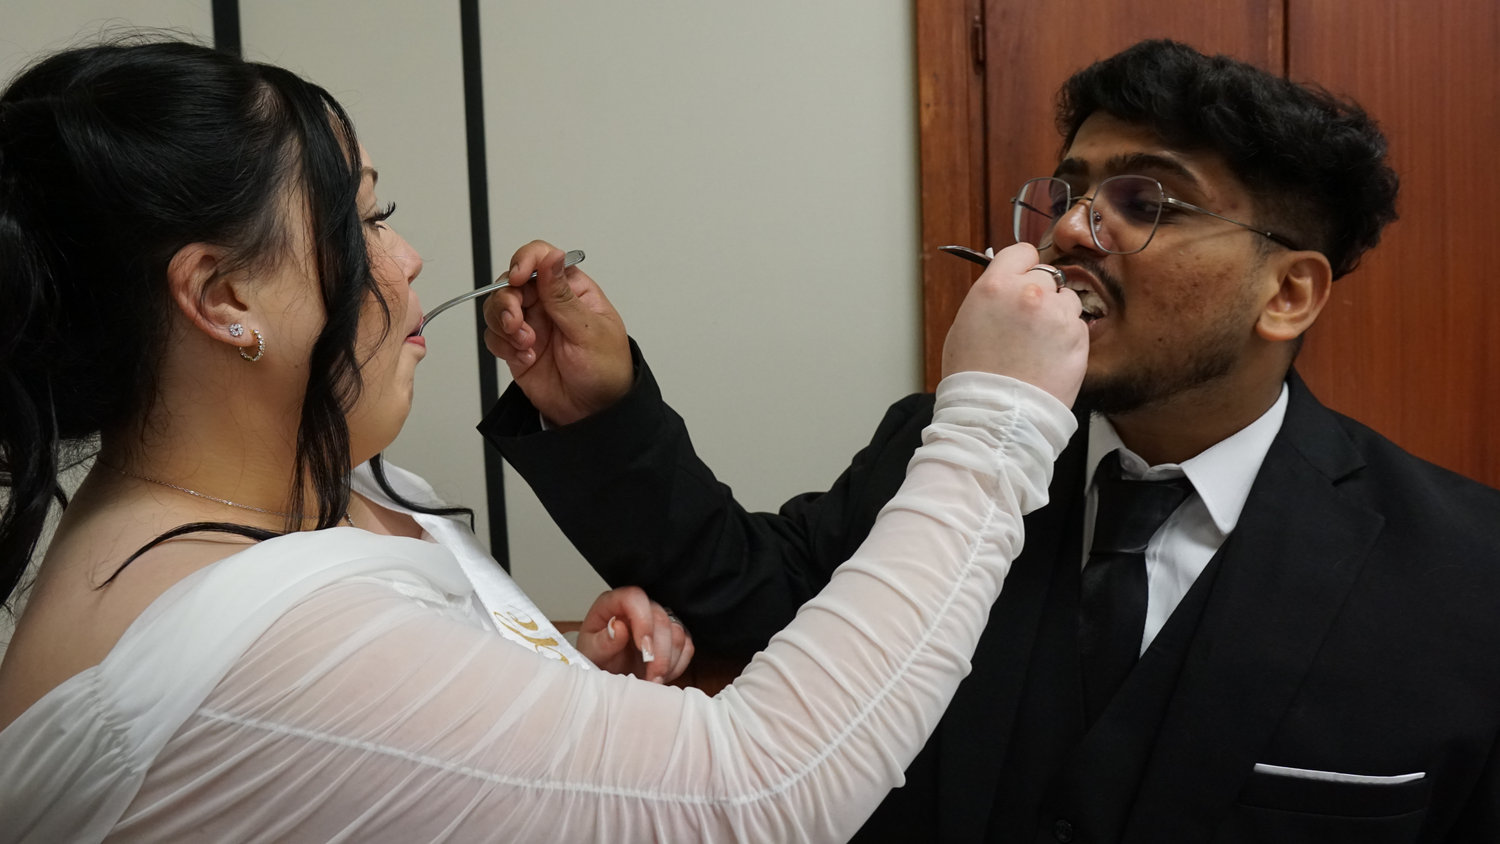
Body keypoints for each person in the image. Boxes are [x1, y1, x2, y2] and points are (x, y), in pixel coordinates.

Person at [0, 38, 1092, 842]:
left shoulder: (324, 489)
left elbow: (353, 762)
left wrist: (540, 684)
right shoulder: (253, 644)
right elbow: (761, 792)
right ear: (222, 294)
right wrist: (997, 418)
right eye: (368, 221)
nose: (409, 258)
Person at [482, 40, 1500, 842]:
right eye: (1069, 195)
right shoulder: (939, 450)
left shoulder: (1466, 576)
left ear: (1287, 293)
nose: (1067, 233)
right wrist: (595, 408)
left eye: (1144, 201)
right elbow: (747, 594)